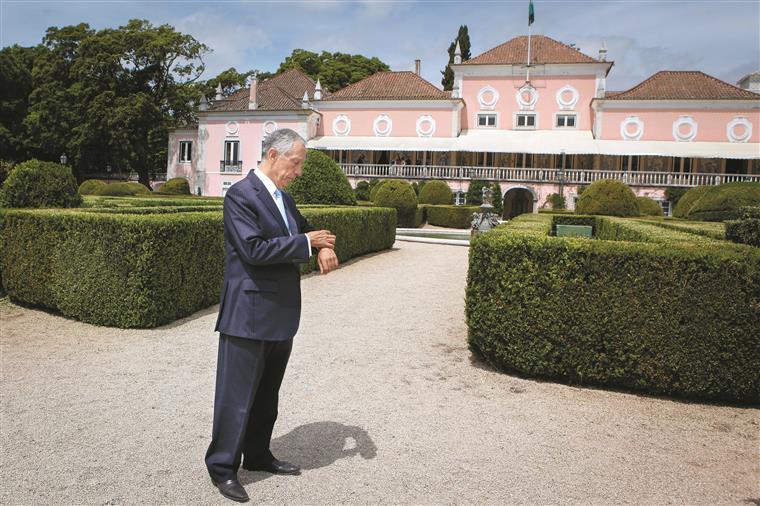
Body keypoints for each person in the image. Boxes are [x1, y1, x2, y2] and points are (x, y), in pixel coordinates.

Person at [205, 128, 339, 503]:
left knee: (267, 393)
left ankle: (259, 454)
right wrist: (308, 244)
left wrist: (320, 245)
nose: (298, 171)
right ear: (274, 156)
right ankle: (222, 468)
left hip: (280, 311)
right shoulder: (240, 194)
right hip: (248, 312)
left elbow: (304, 230)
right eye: (295, 164)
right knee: (236, 396)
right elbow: (252, 249)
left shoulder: (283, 197)